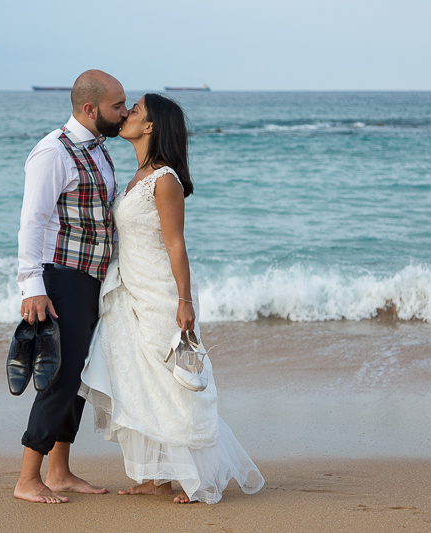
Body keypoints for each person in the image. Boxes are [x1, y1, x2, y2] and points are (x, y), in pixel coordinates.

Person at [79, 94, 265, 504]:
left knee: (173, 383)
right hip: (131, 289)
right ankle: (156, 476)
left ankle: (196, 479)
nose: (126, 114)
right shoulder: (137, 175)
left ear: (150, 127)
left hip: (162, 292)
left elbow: (176, 245)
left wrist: (185, 302)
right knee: (139, 382)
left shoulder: (164, 180)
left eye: (136, 111)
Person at [14, 70, 128, 504]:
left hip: (93, 280)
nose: (124, 112)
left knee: (79, 376)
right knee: (60, 376)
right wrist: (32, 286)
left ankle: (59, 471)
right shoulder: (52, 152)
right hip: (61, 278)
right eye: (117, 106)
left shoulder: (99, 150)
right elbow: (33, 221)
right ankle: (28, 478)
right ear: (89, 108)